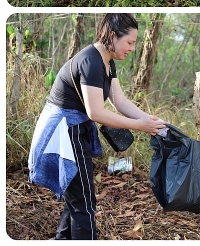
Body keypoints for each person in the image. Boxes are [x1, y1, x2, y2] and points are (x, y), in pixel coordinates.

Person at [28, 13, 167, 240]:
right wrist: (139, 126)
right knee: (84, 201)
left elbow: (119, 101)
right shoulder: (91, 61)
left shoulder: (107, 61)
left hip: (75, 128)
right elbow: (96, 112)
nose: (132, 48)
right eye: (130, 42)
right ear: (113, 36)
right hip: (63, 132)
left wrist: (151, 121)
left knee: (79, 195)